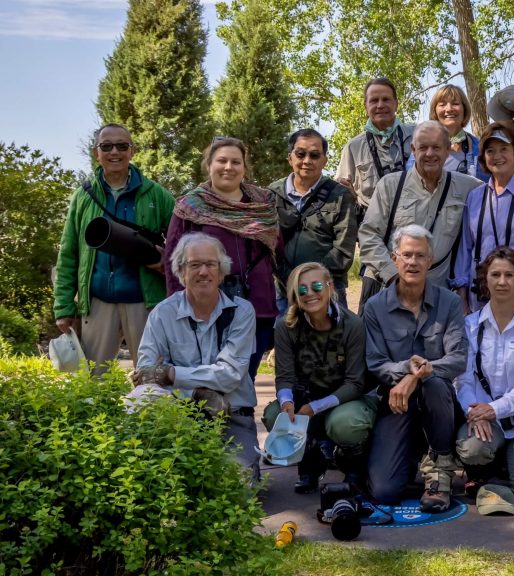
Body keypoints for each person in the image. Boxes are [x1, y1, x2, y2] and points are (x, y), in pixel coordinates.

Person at [134, 232, 260, 479]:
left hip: (231, 418)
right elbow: (146, 376)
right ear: (181, 271)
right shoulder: (161, 314)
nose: (203, 272)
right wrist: (195, 394)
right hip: (179, 414)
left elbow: (230, 376)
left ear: (221, 271)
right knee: (137, 399)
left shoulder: (242, 312)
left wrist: (171, 374)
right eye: (194, 265)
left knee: (236, 488)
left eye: (210, 264)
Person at [362, 225, 467, 512]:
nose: (412, 262)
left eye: (420, 256)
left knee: (433, 384)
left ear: (430, 261)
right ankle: (411, 458)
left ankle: (440, 470)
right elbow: (375, 364)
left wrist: (418, 375)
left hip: (440, 405)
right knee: (384, 491)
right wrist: (407, 372)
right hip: (396, 404)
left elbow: (458, 359)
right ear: (394, 259)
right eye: (406, 255)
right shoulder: (374, 307)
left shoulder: (450, 302)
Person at [53, 123, 175, 370]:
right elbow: (68, 254)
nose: (114, 152)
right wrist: (64, 306)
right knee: (95, 381)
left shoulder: (157, 195)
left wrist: (167, 261)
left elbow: (182, 243)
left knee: (152, 378)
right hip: (98, 301)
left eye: (122, 145)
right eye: (106, 146)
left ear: (132, 150)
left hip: (145, 301)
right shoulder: (83, 197)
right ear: (96, 152)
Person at [163, 137, 282, 385]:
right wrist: (179, 309)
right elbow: (173, 261)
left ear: (244, 168)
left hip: (257, 307)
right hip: (204, 311)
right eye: (222, 161)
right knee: (205, 382)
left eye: (235, 162)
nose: (229, 167)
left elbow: (277, 251)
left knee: (243, 380)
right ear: (209, 165)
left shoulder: (264, 204)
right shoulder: (190, 206)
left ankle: (241, 424)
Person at [261, 263, 377, 493]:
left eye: (316, 286)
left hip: (347, 399)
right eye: (301, 290)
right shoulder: (285, 326)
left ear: (330, 286)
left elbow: (355, 383)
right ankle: (311, 462)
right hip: (305, 396)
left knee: (344, 423)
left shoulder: (353, 325)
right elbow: (284, 376)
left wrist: (316, 407)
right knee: (274, 415)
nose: (310, 294)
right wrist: (286, 402)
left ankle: (353, 467)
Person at [357, 121, 481, 310]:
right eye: (423, 147)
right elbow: (368, 236)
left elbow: (500, 191)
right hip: (388, 290)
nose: (430, 153)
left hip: (436, 298)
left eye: (436, 147)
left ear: (447, 150)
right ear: (413, 150)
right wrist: (394, 277)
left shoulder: (468, 187)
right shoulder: (390, 186)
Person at [455, 248, 514, 504]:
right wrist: (474, 412)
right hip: (483, 420)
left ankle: (497, 479)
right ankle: (484, 472)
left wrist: (493, 409)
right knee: (473, 450)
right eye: (495, 274)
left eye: (509, 275)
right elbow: (463, 380)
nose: (502, 281)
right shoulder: (470, 326)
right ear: (485, 279)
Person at [454, 121, 514, 313]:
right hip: (480, 295)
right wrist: (462, 297)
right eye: (490, 151)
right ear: (483, 157)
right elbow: (465, 250)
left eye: (503, 149)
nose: (497, 156)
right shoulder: (475, 196)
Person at [270, 129, 358, 310]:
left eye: (314, 155)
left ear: (324, 160)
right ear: (290, 158)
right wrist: (290, 280)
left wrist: (311, 281)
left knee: (332, 338)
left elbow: (344, 250)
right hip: (284, 289)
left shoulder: (340, 195)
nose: (307, 161)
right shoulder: (271, 194)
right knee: (282, 337)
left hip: (328, 288)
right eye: (300, 154)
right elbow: (268, 245)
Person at [334, 78, 416, 222]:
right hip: (374, 229)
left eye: (386, 99)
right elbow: (340, 192)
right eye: (374, 100)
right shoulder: (353, 147)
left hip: (416, 222)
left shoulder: (417, 135)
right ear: (366, 106)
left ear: (396, 104)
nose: (380, 105)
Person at [407, 85, 488, 180]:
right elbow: (409, 182)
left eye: (455, 103)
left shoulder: (479, 148)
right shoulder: (421, 147)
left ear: (464, 109)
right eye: (442, 104)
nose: (449, 109)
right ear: (435, 111)